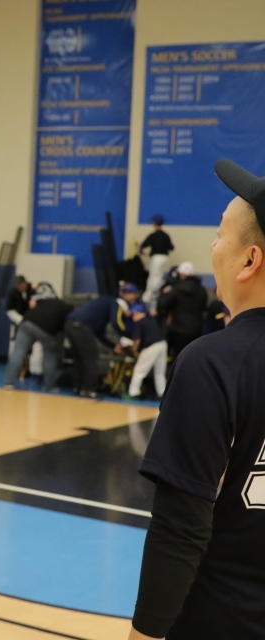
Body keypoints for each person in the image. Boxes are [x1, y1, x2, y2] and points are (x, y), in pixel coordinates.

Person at [128, 158, 265, 640]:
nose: (213, 247)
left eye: (219, 234)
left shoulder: (213, 363)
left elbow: (179, 530)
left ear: (249, 260)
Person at [64, 284, 138, 398]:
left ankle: (78, 387)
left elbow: (99, 334)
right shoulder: (115, 303)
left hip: (70, 324)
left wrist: (113, 346)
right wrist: (129, 336)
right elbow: (116, 322)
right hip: (82, 326)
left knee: (79, 358)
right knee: (91, 357)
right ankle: (89, 390)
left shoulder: (102, 309)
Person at [3, 295, 73, 391]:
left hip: (27, 322)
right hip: (47, 329)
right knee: (50, 355)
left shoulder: (47, 300)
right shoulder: (69, 309)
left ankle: (8, 383)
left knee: (18, 353)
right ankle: (48, 386)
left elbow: (33, 304)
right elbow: (66, 327)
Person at [157, 261, 208, 358]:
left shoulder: (176, 288)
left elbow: (163, 304)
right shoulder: (202, 290)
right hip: (197, 329)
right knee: (192, 357)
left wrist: (164, 293)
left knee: (178, 357)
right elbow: (203, 307)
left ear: (182, 274)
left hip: (178, 329)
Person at [124, 303, 167, 400]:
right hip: (163, 344)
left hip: (151, 346)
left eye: (133, 314)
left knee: (139, 370)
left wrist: (134, 351)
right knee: (160, 372)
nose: (132, 317)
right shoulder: (151, 319)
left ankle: (133, 393)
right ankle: (162, 393)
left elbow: (137, 340)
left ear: (137, 312)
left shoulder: (139, 322)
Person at [140, 215, 174, 307]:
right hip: (165, 258)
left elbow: (143, 246)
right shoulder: (166, 235)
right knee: (160, 276)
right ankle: (158, 295)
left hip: (157, 258)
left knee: (153, 277)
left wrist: (142, 251)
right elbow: (171, 247)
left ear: (154, 224)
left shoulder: (153, 235)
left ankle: (149, 297)